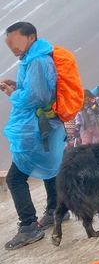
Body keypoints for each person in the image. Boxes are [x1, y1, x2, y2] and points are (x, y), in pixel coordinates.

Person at [1, 22, 66, 249]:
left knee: (15, 179)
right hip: (45, 124)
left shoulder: (37, 61)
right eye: (10, 44)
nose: (14, 47)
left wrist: (14, 93)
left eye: (17, 41)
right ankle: (56, 210)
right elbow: (39, 90)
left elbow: (38, 98)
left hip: (36, 126)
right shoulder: (34, 58)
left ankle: (29, 227)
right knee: (50, 165)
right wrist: (18, 85)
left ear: (31, 37)